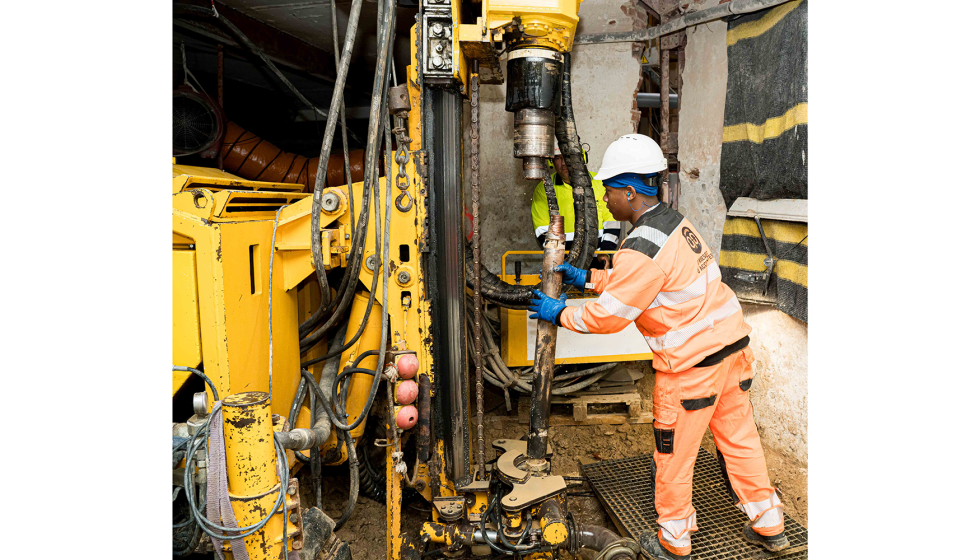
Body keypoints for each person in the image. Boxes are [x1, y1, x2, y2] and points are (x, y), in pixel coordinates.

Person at [528, 134, 788, 560]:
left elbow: (610, 316)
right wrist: (590, 278)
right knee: (740, 440)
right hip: (732, 353)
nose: (606, 199)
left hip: (691, 370)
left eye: (609, 190)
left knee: (672, 458)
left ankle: (673, 542)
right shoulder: (674, 224)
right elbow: (651, 281)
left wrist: (559, 313)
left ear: (630, 192)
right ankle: (769, 525)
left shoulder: (640, 247)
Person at [531, 142, 620, 268]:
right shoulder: (543, 189)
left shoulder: (599, 183)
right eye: (558, 158)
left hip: (598, 260)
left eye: (568, 157)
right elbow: (542, 230)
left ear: (580, 159)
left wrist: (605, 251)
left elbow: (612, 221)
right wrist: (568, 257)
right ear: (551, 162)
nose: (564, 163)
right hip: (563, 262)